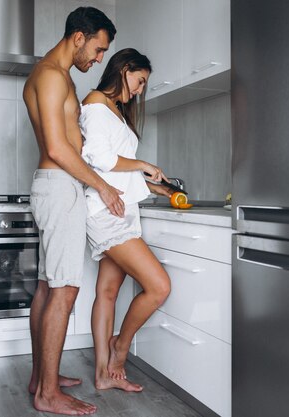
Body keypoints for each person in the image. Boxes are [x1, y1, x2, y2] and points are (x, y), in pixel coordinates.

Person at [22, 6, 121, 416]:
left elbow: (71, 140)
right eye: (98, 49)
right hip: (59, 188)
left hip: (60, 189)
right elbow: (57, 149)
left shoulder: (60, 79)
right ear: (77, 37)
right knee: (64, 289)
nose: (98, 59)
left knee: (49, 286)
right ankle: (47, 393)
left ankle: (41, 376)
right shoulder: (49, 75)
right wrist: (103, 185)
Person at [79, 48, 173, 392]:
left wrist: (152, 187)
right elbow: (100, 158)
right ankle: (119, 348)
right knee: (159, 286)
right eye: (140, 80)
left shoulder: (114, 112)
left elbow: (119, 167)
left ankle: (103, 374)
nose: (141, 89)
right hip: (106, 212)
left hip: (120, 207)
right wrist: (144, 164)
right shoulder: (95, 104)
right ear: (124, 69)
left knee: (107, 291)